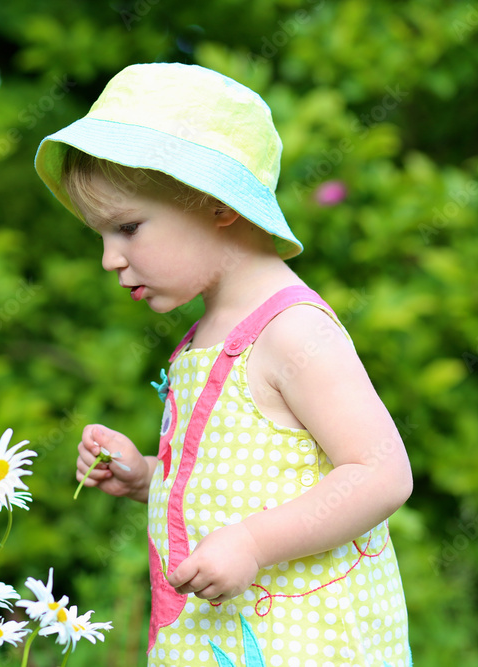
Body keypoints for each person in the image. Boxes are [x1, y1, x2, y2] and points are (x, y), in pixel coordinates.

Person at [34, 63, 413, 667]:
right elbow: (237, 480)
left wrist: (253, 543)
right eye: (100, 236)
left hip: (306, 641)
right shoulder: (203, 337)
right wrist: (147, 477)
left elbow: (381, 473)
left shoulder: (294, 330)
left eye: (127, 228)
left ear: (216, 206)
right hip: (218, 639)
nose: (109, 258)